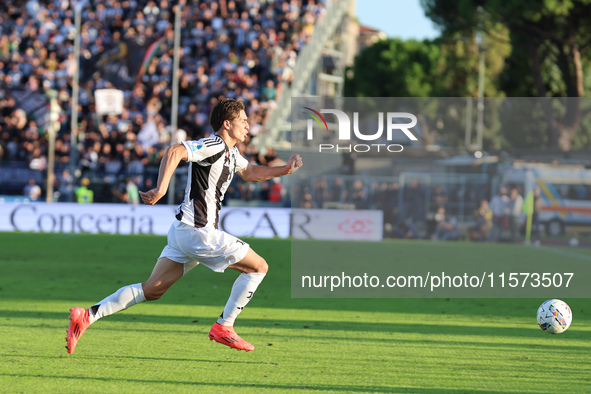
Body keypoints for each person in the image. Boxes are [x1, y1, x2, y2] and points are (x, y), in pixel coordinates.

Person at [66, 99, 303, 354]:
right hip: (199, 232)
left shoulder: (232, 152)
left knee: (152, 289)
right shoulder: (214, 145)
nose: (248, 125)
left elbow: (251, 172)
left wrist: (285, 170)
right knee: (259, 267)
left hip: (183, 231)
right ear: (227, 124)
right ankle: (225, 325)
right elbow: (175, 151)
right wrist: (161, 188)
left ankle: (87, 315)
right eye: (243, 121)